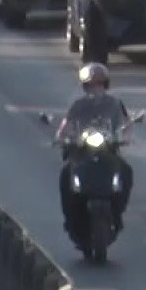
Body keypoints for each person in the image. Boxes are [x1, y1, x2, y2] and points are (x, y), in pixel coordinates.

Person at [56, 63, 136, 247]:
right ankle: (70, 217)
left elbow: (126, 124)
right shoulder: (78, 105)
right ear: (85, 86)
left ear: (106, 85)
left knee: (126, 171)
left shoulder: (115, 104)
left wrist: (125, 137)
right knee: (66, 174)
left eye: (99, 84)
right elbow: (66, 125)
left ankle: (118, 211)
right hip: (82, 152)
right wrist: (63, 138)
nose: (95, 88)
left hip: (107, 150)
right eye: (91, 85)